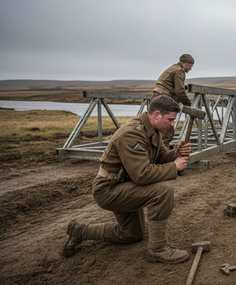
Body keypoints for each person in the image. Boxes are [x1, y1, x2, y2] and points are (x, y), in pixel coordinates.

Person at [62, 95, 193, 264]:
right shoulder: (132, 133)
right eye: (170, 120)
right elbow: (142, 174)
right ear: (157, 115)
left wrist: (175, 153)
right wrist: (175, 166)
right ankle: (158, 249)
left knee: (131, 234)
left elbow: (160, 156)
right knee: (163, 192)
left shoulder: (153, 131)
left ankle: (81, 231)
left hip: (125, 185)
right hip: (108, 190)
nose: (172, 124)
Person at [151, 53, 195, 148]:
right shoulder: (179, 71)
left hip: (157, 98)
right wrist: (189, 104)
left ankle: (153, 151)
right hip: (164, 100)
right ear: (187, 63)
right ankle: (162, 155)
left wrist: (184, 86)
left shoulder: (173, 68)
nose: (191, 68)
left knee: (155, 126)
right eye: (191, 65)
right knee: (167, 128)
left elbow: (171, 84)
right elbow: (180, 91)